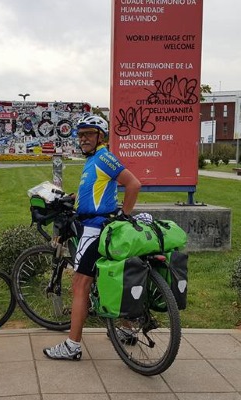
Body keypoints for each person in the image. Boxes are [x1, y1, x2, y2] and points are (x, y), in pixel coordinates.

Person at [43, 114, 141, 360]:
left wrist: (124, 216)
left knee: (80, 285)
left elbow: (133, 184)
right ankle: (126, 329)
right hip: (93, 223)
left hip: (95, 228)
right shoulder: (93, 160)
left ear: (101, 136)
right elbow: (97, 190)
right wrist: (74, 198)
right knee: (108, 279)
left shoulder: (103, 157)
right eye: (81, 134)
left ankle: (72, 345)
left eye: (89, 133)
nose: (83, 138)